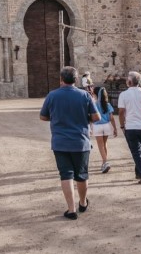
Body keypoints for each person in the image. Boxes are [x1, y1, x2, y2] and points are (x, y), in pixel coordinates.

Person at [40, 66, 100, 220]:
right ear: (76, 79)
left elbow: (43, 117)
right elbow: (96, 117)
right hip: (80, 141)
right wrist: (83, 118)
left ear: (61, 79)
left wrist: (56, 118)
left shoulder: (52, 95)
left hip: (60, 142)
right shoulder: (84, 95)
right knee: (81, 174)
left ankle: (71, 209)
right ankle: (82, 202)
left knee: (65, 174)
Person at [90, 86, 118, 173]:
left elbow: (91, 117)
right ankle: (104, 162)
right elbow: (111, 118)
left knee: (100, 146)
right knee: (105, 144)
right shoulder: (107, 104)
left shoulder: (93, 104)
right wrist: (115, 128)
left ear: (95, 94)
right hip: (106, 126)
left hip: (97, 126)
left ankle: (106, 162)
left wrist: (90, 127)